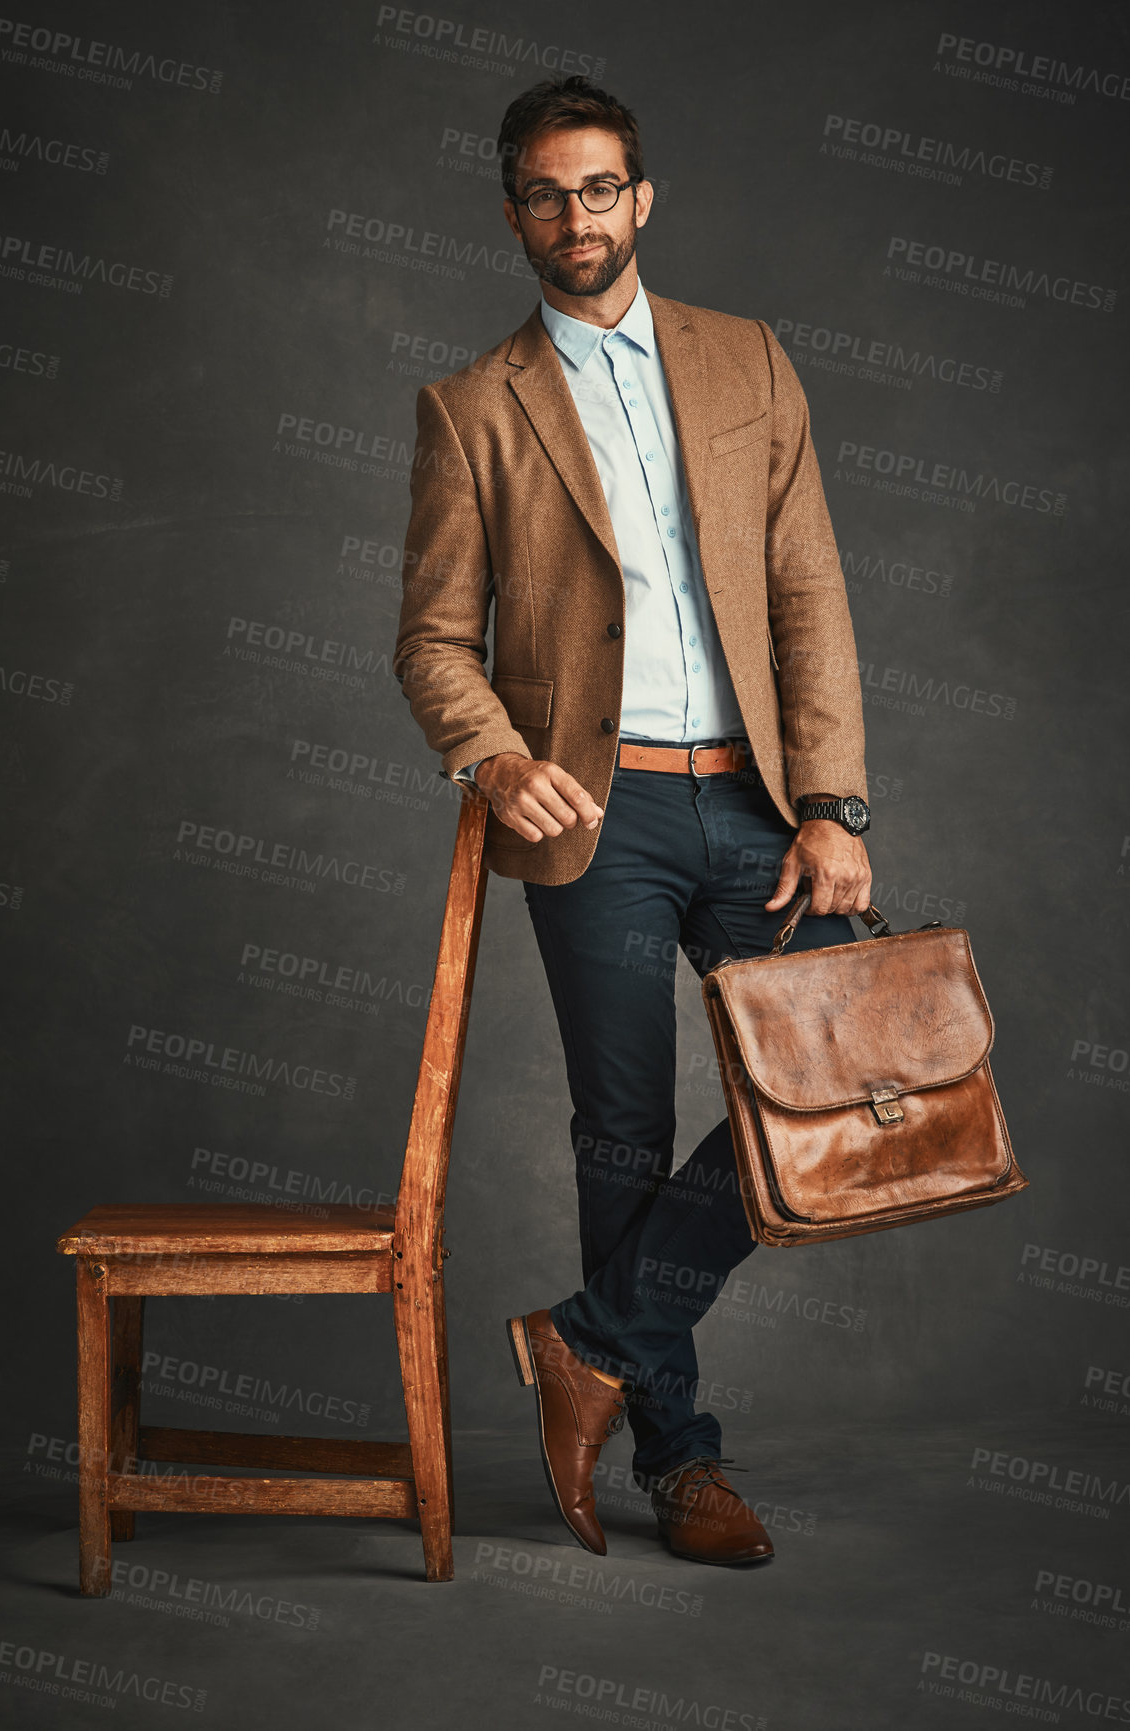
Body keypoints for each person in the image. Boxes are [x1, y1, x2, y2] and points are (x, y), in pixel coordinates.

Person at [394, 75, 872, 1568]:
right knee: (624, 1134)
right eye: (546, 192)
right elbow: (429, 641)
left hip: (757, 800)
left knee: (847, 1082)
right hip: (594, 818)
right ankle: (680, 1462)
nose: (577, 216)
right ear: (514, 208)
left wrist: (835, 799)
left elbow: (807, 592)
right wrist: (490, 759)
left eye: (601, 188)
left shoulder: (750, 362)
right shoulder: (473, 406)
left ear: (641, 199)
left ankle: (587, 1338)